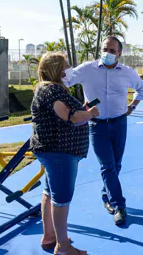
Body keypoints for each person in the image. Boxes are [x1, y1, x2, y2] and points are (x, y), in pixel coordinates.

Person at [64, 36, 143, 225]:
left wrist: (132, 106)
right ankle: (119, 206)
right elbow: (65, 81)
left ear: (119, 53)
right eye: (105, 49)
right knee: (108, 166)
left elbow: (141, 89)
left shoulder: (127, 72)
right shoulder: (87, 69)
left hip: (119, 124)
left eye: (112, 50)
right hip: (97, 126)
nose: (107, 53)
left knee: (116, 166)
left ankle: (106, 196)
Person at [30, 52, 99, 255]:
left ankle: (50, 236)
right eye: (66, 65)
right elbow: (70, 117)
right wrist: (90, 113)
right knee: (61, 198)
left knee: (49, 192)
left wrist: (82, 110)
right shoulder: (52, 90)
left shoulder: (47, 89)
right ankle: (63, 247)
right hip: (60, 151)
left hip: (53, 150)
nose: (69, 68)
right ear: (57, 69)